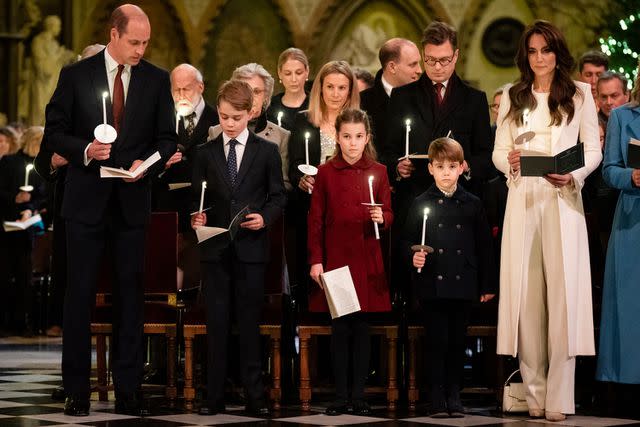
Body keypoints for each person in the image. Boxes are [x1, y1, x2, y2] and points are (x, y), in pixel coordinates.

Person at [44, 4, 176, 416]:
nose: (141, 50)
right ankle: (76, 390)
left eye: (146, 43)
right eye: (134, 42)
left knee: (130, 297)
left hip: (131, 203)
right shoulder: (75, 75)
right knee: (78, 296)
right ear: (113, 35)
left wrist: (147, 163)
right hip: (84, 203)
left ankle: (130, 388)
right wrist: (84, 149)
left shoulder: (156, 80)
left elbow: (168, 139)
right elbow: (54, 132)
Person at [492, 20, 601, 422]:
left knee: (563, 299)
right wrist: (513, 164)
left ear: (558, 53)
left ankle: (559, 397)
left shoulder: (579, 94)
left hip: (562, 199)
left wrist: (573, 173)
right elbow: (499, 151)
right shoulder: (512, 95)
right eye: (533, 51)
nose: (540, 58)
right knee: (528, 300)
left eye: (547, 50)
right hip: (523, 200)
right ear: (526, 55)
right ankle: (533, 394)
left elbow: (592, 148)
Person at [191, 79, 286, 416]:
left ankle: (255, 398)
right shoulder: (205, 153)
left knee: (249, 326)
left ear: (251, 113)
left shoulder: (267, 152)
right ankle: (213, 396)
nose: (229, 124)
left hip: (251, 250)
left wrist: (264, 218)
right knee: (216, 325)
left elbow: (278, 196)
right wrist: (196, 217)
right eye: (224, 117)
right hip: (215, 251)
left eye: (236, 117)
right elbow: (196, 197)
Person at [307, 108, 392, 415]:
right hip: (338, 260)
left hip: (367, 259)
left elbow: (390, 213)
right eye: (346, 137)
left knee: (362, 330)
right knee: (340, 330)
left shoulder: (379, 171)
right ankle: (340, 395)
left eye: (358, 137)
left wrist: (382, 216)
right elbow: (315, 220)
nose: (353, 143)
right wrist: (317, 261)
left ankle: (359, 395)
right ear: (337, 138)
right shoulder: (326, 172)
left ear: (367, 137)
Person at [403, 137, 494, 417]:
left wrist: (487, 284)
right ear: (430, 168)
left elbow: (484, 248)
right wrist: (413, 257)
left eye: (452, 166)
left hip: (463, 282)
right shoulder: (420, 203)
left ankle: (455, 393)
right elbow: (407, 243)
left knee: (457, 341)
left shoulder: (473, 204)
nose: (446, 172)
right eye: (440, 166)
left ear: (461, 168)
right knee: (437, 340)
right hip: (433, 283)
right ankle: (437, 394)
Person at [382, 21, 493, 228]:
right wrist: (396, 167)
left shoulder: (474, 99)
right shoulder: (401, 97)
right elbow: (387, 149)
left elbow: (486, 155)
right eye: (431, 60)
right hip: (414, 201)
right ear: (423, 56)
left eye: (444, 60)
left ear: (456, 56)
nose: (438, 67)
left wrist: (466, 166)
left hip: (460, 205)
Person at [288, 60, 360, 310]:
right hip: (311, 210)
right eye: (330, 87)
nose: (336, 94)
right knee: (313, 281)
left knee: (346, 285)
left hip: (347, 212)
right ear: (320, 88)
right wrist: (303, 179)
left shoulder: (358, 123)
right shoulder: (303, 121)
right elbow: (295, 163)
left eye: (342, 88)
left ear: (350, 91)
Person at [152, 63, 219, 290]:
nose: (181, 95)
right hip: (168, 206)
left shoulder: (217, 118)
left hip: (202, 208)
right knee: (167, 276)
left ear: (200, 87)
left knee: (197, 274)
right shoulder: (161, 120)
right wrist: (161, 162)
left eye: (187, 89)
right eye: (176, 90)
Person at [596, 68, 640, 387]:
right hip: (632, 219)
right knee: (630, 302)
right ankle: (627, 381)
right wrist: (632, 177)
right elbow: (609, 170)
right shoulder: (622, 117)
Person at [210, 63, 291, 190]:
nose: (251, 98)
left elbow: (284, 186)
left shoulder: (281, 136)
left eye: (256, 91)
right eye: (245, 90)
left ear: (266, 96)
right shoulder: (215, 132)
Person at [360, 37, 422, 148]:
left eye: (419, 63)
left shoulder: (427, 97)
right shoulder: (362, 102)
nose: (419, 70)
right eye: (413, 64)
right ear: (392, 67)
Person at [28, 15, 76, 125]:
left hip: (54, 81)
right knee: (40, 109)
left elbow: (58, 64)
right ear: (51, 26)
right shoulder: (38, 41)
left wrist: (65, 57)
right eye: (58, 26)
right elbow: (41, 65)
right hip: (41, 82)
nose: (59, 29)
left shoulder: (54, 44)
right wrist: (59, 55)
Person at [266, 48, 310, 131]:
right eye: (288, 73)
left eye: (298, 73)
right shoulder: (269, 108)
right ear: (280, 73)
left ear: (307, 71)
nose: (294, 79)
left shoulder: (318, 105)